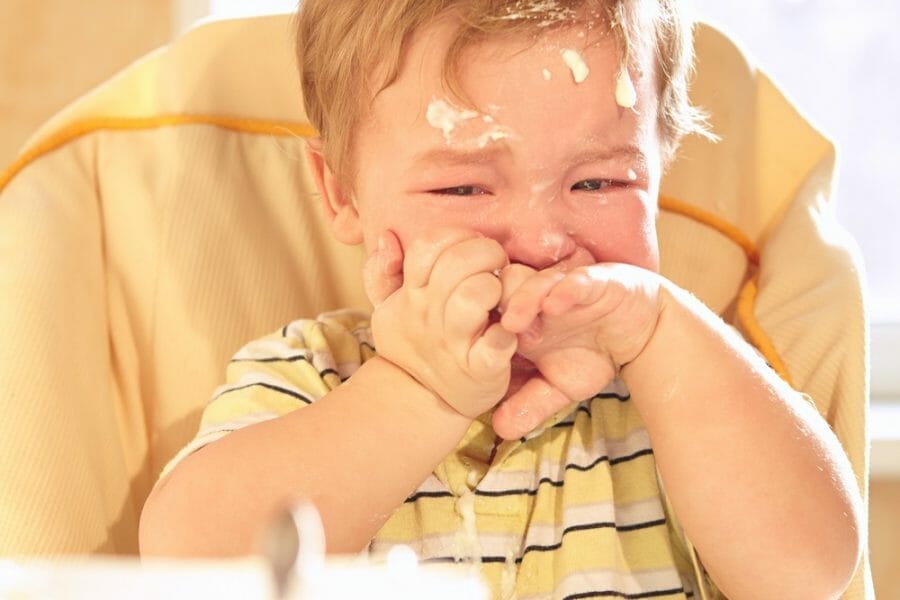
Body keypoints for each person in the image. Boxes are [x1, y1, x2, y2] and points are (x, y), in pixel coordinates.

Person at [139, 1, 863, 597]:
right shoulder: (308, 376)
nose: (543, 240)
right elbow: (188, 567)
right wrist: (420, 390)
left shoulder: (685, 398)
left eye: (598, 183)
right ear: (340, 191)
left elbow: (809, 577)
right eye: (463, 187)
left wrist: (659, 331)